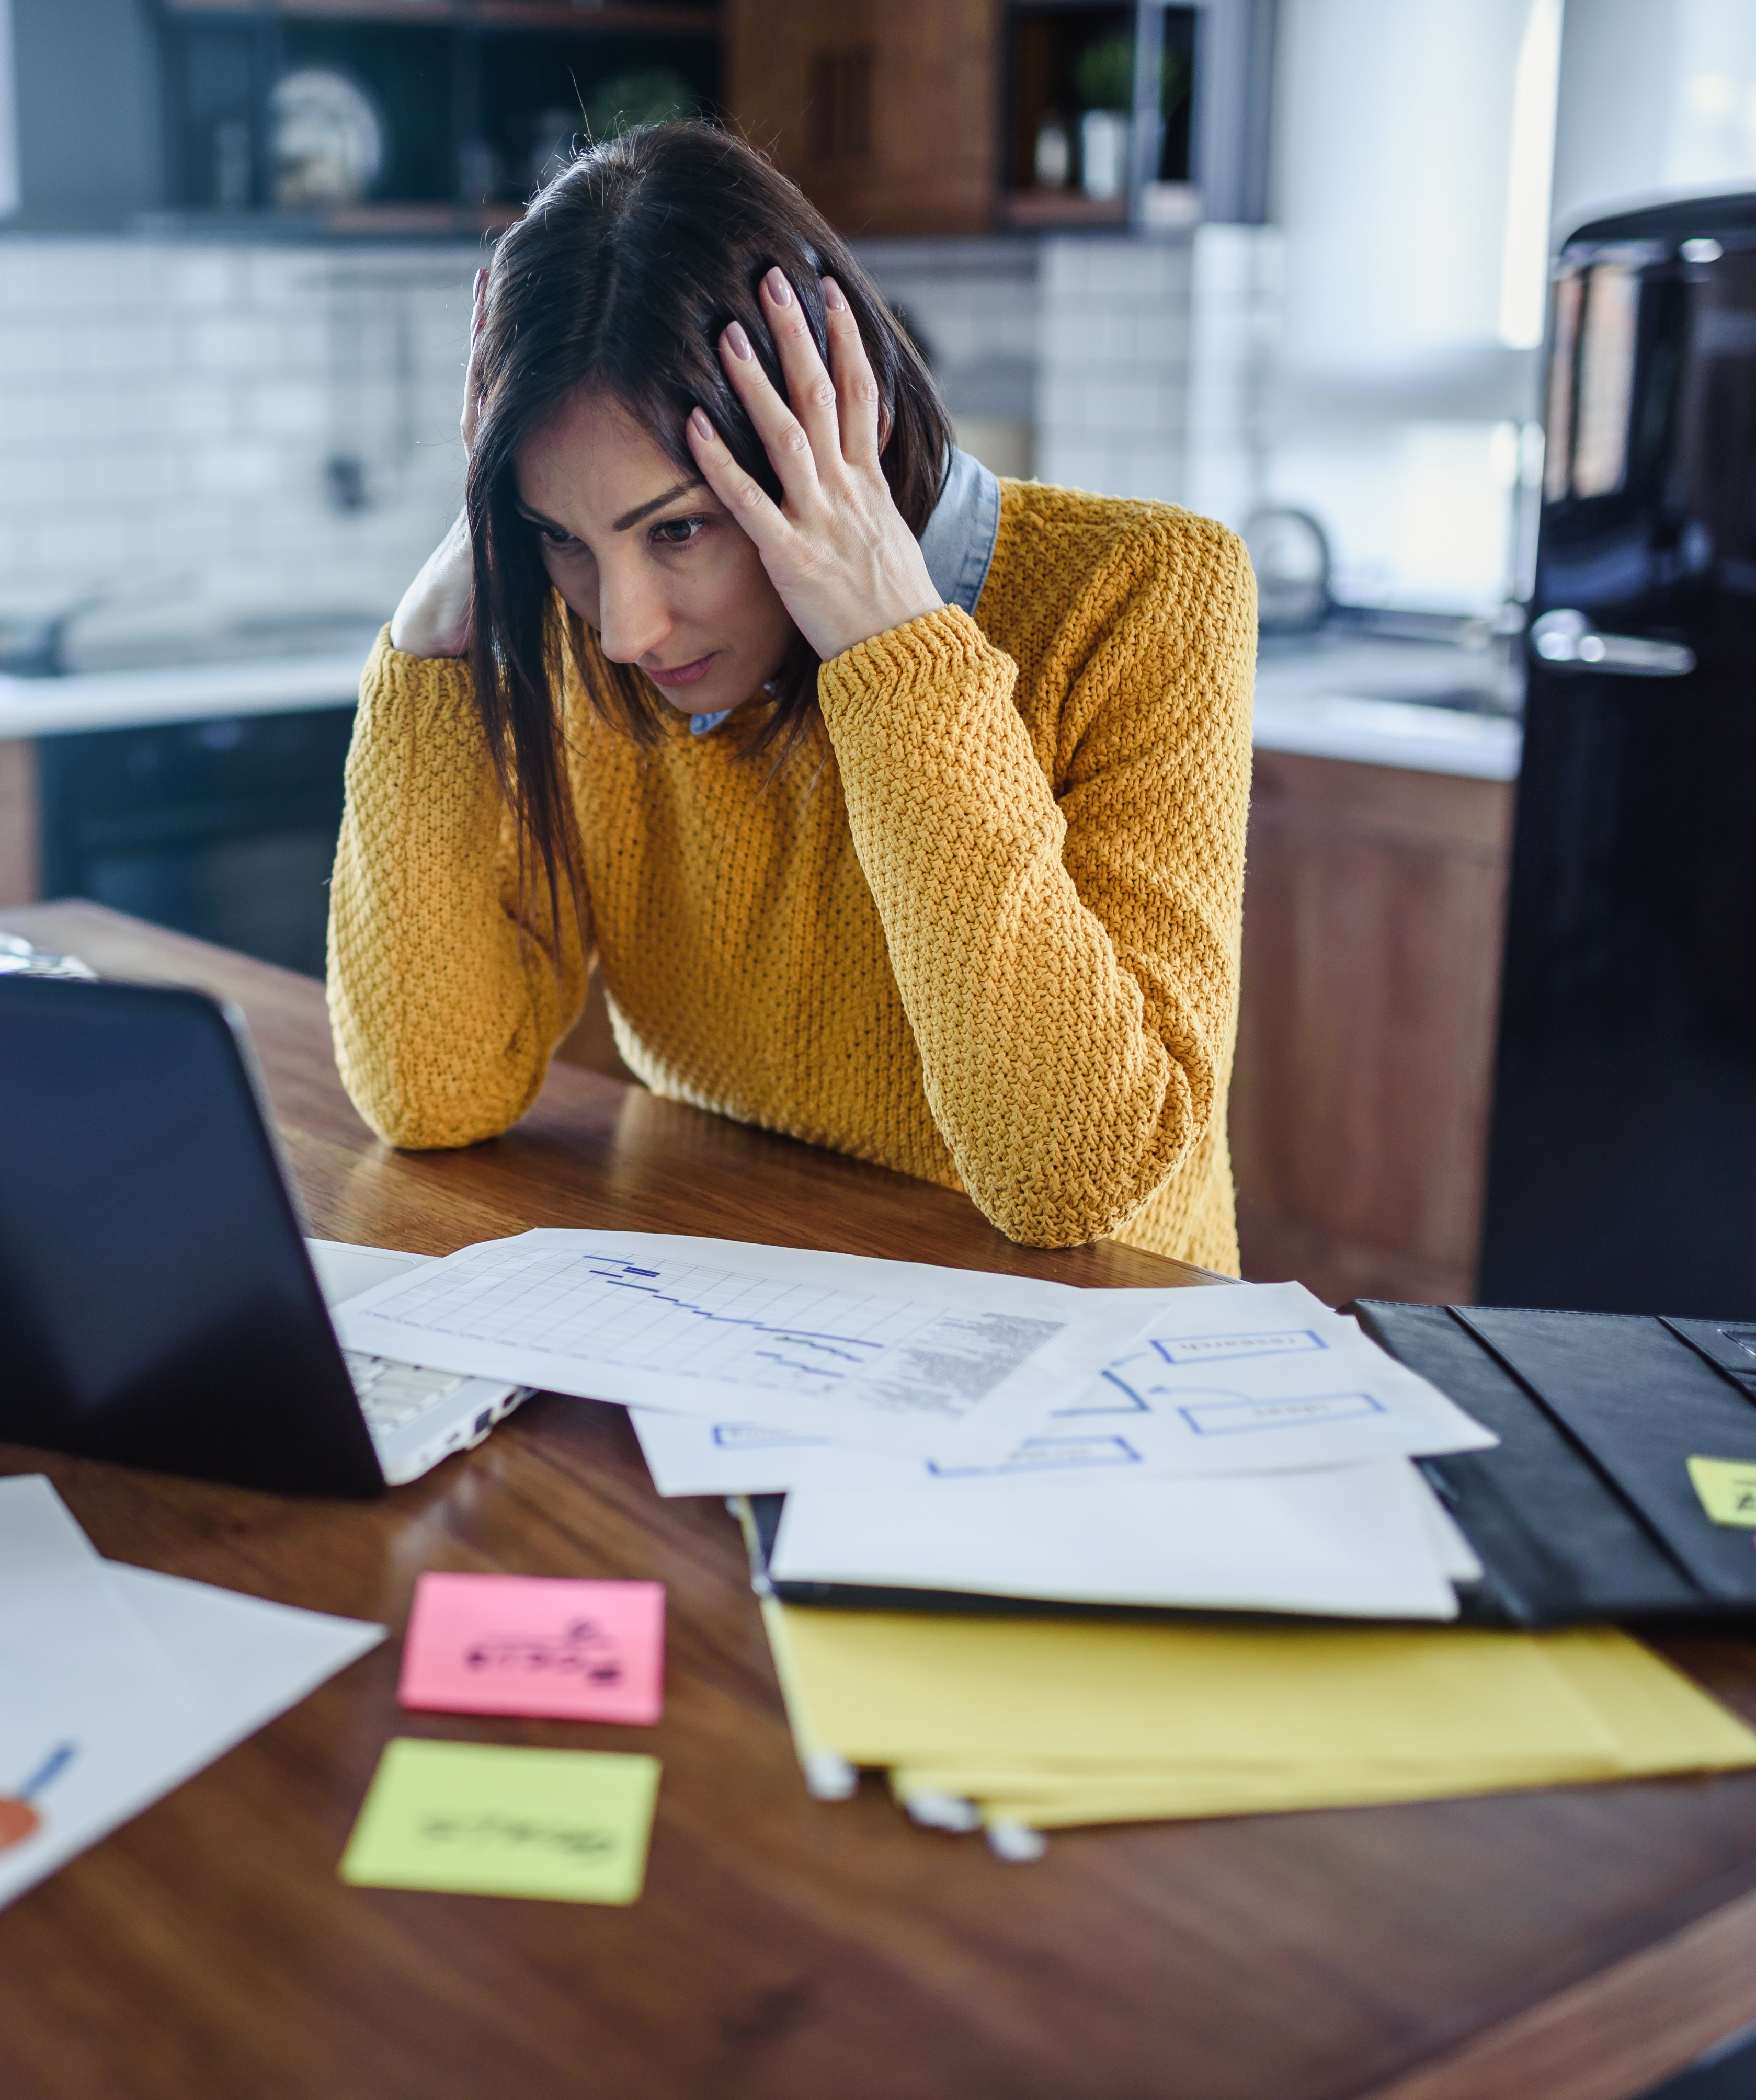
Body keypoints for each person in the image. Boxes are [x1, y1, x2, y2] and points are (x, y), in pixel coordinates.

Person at [326, 124, 1256, 1272]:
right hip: (744, 1316)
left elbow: (1070, 1179)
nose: (624, 631)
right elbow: (432, 1092)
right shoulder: (585, 637)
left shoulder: (1147, 593)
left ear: (827, 441)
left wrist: (895, 648)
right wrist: (431, 639)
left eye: (678, 529)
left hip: (1090, 1370)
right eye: (557, 537)